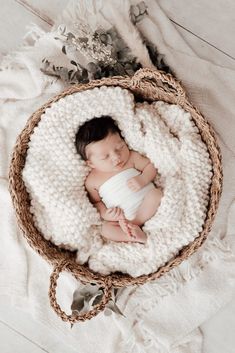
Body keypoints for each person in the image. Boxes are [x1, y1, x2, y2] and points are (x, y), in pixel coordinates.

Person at [75, 115, 163, 244]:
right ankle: (135, 237)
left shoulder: (132, 158)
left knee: (157, 194)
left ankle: (135, 224)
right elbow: (96, 202)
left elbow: (151, 166)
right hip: (121, 220)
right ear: (91, 164)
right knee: (105, 229)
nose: (116, 157)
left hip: (147, 206)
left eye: (119, 147)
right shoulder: (92, 180)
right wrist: (106, 214)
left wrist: (143, 179)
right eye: (105, 157)